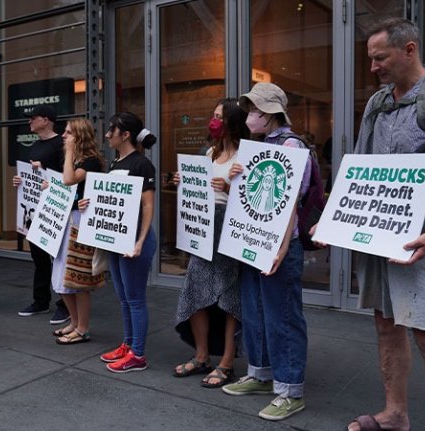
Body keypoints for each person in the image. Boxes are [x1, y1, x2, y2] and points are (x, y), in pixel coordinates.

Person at [336, 18, 425, 431]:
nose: (373, 68)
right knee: (386, 323)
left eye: (379, 58)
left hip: (423, 242)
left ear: (409, 50)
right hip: (380, 235)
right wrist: (335, 219)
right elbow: (359, 170)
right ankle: (395, 414)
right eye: (370, 59)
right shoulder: (377, 103)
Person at [220, 82, 311, 421]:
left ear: (271, 113)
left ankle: (289, 390)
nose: (249, 115)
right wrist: (235, 178)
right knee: (256, 310)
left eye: (255, 110)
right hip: (256, 242)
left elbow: (290, 202)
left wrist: (283, 246)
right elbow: (249, 199)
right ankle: (260, 373)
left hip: (278, 246)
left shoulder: (290, 145)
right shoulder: (258, 146)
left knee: (282, 316)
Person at [171, 98, 248, 388]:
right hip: (202, 229)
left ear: (233, 121)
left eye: (220, 116)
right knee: (195, 292)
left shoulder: (244, 155)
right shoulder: (208, 153)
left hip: (227, 230)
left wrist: (229, 187)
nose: (214, 121)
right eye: (213, 115)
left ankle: (227, 363)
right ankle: (201, 356)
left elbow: (253, 202)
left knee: (228, 298)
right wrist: (183, 181)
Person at [93, 112, 158, 373]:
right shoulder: (115, 163)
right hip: (118, 240)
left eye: (112, 130)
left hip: (134, 242)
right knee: (123, 298)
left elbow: (148, 205)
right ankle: (128, 344)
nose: (108, 134)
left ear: (125, 135)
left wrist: (141, 241)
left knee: (135, 299)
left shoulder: (142, 164)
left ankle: (138, 354)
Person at [12, 104, 69, 325]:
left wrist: (44, 171)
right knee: (38, 255)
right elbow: (32, 175)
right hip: (36, 206)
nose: (30, 121)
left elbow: (67, 175)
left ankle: (65, 304)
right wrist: (21, 180)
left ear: (46, 120)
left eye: (33, 118)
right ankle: (41, 300)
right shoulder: (36, 145)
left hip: (55, 207)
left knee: (58, 257)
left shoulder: (61, 145)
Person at [51, 118, 105, 345]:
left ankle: (82, 328)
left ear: (79, 136)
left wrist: (69, 153)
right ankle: (74, 322)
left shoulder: (91, 161)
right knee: (61, 275)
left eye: (68, 133)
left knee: (78, 278)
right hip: (67, 220)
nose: (63, 136)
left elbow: (69, 179)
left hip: (81, 223)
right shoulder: (75, 159)